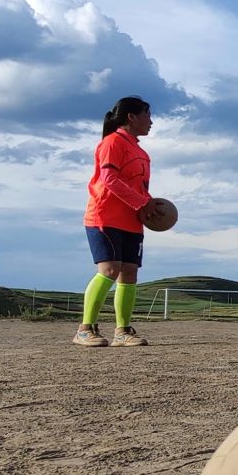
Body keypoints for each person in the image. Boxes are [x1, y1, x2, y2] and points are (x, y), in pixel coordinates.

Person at [76, 96, 164, 348]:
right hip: (105, 216)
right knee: (109, 269)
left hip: (131, 220)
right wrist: (141, 202)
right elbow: (109, 180)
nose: (151, 121)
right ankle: (85, 329)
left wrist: (149, 207)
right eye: (147, 114)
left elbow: (139, 187)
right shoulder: (112, 142)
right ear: (131, 117)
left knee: (129, 272)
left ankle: (122, 331)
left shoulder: (141, 152)